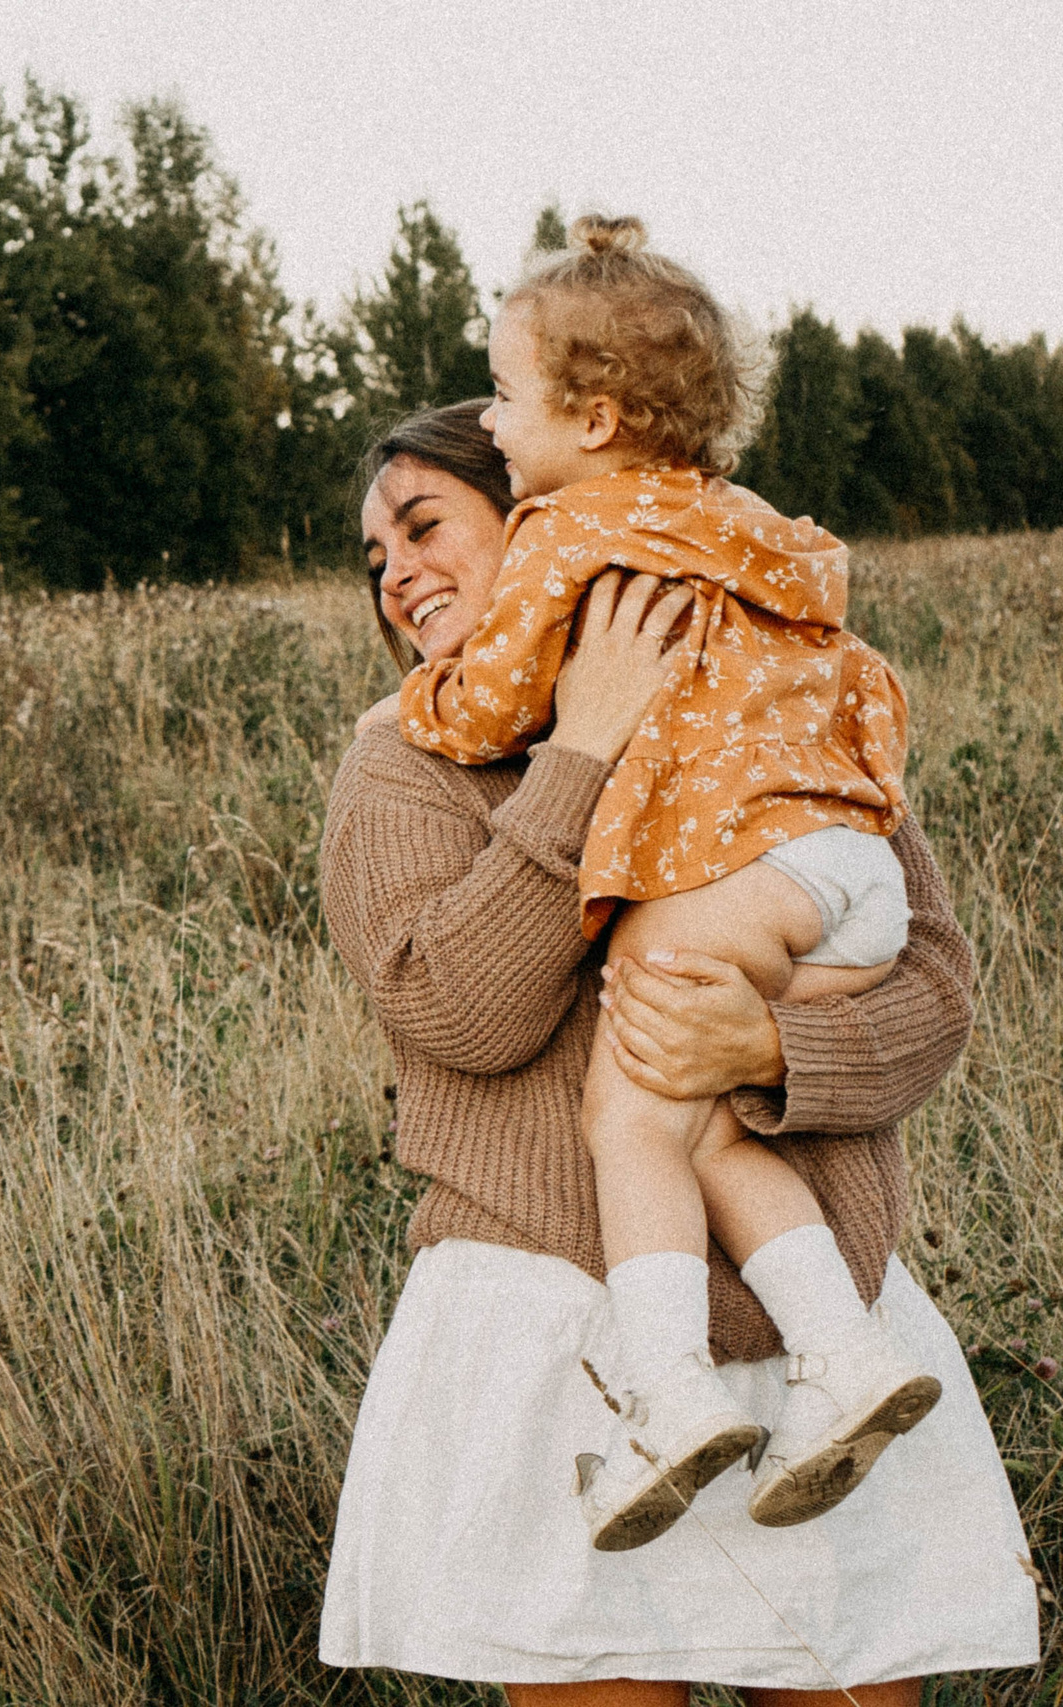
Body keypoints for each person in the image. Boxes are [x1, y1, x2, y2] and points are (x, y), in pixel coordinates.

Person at [318, 400, 1035, 1700]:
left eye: (423, 525)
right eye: (375, 559)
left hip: (820, 1338)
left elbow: (931, 982)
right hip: (565, 1341)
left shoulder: (767, 699)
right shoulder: (400, 772)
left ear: (540, 524)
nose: (397, 571)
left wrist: (769, 1045)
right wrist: (581, 749)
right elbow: (458, 1014)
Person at [396, 216, 928, 1547]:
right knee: (707, 1119)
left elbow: (489, 702)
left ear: (598, 418)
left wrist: (417, 700)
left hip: (736, 867)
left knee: (626, 1110)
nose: (494, 419)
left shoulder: (574, 531)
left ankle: (666, 1392)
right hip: (851, 868)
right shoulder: (760, 531)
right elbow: (861, 677)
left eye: (509, 394)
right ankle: (841, 1358)